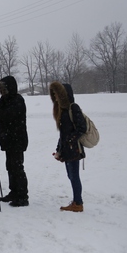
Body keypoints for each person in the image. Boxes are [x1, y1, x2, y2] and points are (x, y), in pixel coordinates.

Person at [0, 76, 30, 207]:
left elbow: (7, 115)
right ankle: (14, 192)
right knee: (10, 166)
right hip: (9, 139)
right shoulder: (6, 99)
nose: (1, 91)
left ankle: (22, 196)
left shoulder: (17, 100)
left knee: (17, 167)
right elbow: (0, 109)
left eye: (3, 89)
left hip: (17, 139)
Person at [49, 81, 86, 212]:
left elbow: (82, 128)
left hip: (74, 149)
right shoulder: (62, 110)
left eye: (57, 94)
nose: (55, 96)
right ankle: (77, 201)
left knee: (74, 176)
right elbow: (63, 134)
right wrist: (59, 150)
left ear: (63, 94)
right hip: (67, 149)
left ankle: (78, 203)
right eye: (54, 94)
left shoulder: (73, 108)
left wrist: (70, 141)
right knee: (71, 175)